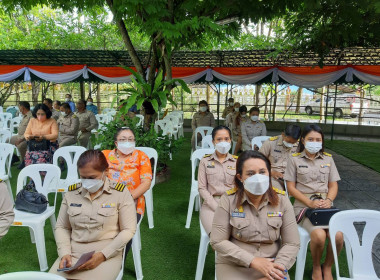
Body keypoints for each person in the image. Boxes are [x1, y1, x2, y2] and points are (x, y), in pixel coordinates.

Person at [210, 150, 300, 280]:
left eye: (262, 172)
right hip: (235, 264)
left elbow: (292, 243)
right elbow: (217, 241)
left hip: (272, 265)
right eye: (250, 174)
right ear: (240, 177)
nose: (258, 178)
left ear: (269, 174)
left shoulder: (282, 200)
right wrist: (252, 261)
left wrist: (278, 266)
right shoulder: (228, 200)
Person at [49, 150, 137, 280]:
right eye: (83, 177)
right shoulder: (72, 193)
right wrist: (64, 253)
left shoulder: (120, 193)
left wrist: (102, 255)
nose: (86, 182)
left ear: (105, 171)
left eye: (91, 177)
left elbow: (129, 229)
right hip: (73, 253)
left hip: (106, 253)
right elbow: (62, 227)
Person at [284, 124, 343, 280]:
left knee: (338, 236)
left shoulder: (328, 159)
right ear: (303, 140)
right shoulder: (294, 159)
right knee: (319, 235)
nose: (315, 142)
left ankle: (327, 266)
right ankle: (316, 266)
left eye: (318, 139)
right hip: (303, 205)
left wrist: (329, 200)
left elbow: (333, 185)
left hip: (325, 205)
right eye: (311, 139)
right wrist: (309, 203)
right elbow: (291, 188)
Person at [102, 128, 152, 217]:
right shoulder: (105, 155)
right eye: (123, 139)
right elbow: (95, 175)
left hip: (131, 199)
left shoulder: (141, 156)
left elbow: (146, 183)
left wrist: (127, 198)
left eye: (130, 139)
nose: (127, 142)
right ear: (116, 143)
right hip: (106, 198)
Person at [198, 126, 237, 234]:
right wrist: (217, 207)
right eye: (219, 139)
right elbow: (202, 188)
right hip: (211, 204)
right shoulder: (205, 161)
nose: (223, 142)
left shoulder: (237, 162)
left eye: (226, 139)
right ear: (213, 142)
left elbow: (241, 187)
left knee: (240, 235)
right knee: (217, 236)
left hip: (233, 204)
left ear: (231, 140)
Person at [259, 124, 301, 191]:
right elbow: (258, 161)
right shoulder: (270, 143)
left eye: (293, 143)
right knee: (276, 191)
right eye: (289, 141)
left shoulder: (300, 146)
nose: (291, 144)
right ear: (283, 134)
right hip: (274, 177)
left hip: (292, 177)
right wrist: (271, 172)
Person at [10, 101, 32, 169]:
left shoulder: (31, 116)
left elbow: (30, 132)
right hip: (19, 136)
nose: (19, 108)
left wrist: (20, 139)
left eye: (19, 106)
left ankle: (24, 162)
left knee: (21, 146)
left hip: (27, 138)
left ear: (23, 107)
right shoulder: (24, 116)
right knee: (8, 140)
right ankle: (14, 158)